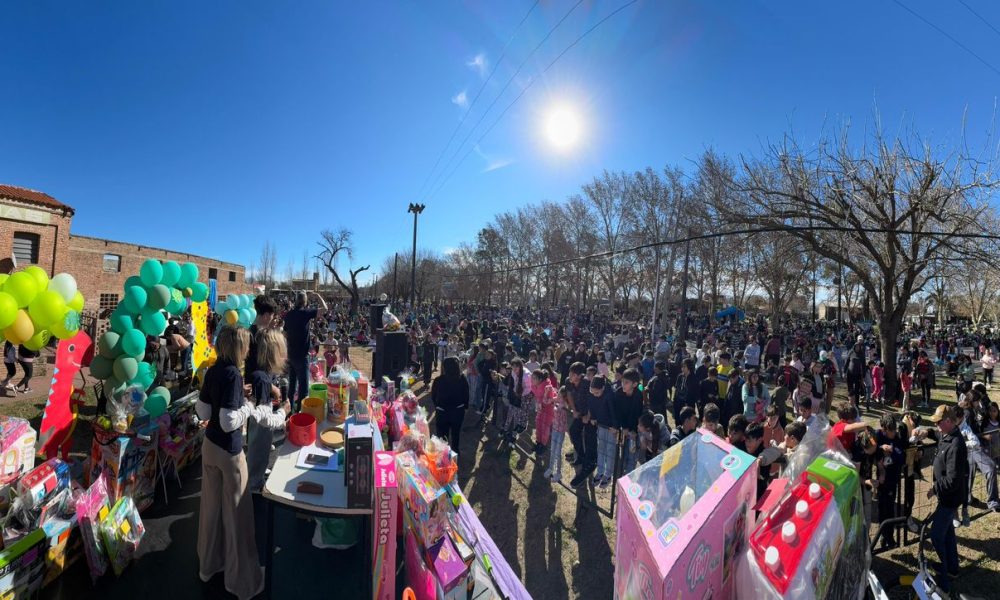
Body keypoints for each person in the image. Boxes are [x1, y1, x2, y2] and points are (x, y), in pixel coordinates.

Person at [195, 327, 263, 600]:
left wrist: (232, 398)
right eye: (245, 345)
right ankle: (242, 582)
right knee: (237, 517)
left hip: (209, 448)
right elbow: (227, 421)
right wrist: (247, 406)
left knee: (210, 510)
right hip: (229, 453)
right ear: (238, 347)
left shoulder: (213, 370)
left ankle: (208, 566)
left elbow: (203, 410)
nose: (247, 350)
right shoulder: (234, 374)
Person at [926, 405, 968, 590]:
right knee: (948, 532)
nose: (936, 426)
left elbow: (952, 479)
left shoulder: (956, 445)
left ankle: (944, 575)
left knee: (936, 535)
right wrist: (926, 432)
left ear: (949, 421)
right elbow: (938, 436)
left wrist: (935, 488)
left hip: (949, 499)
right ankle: (952, 568)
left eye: (938, 423)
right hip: (947, 497)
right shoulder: (947, 435)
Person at [247, 329, 292, 491]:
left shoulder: (262, 375)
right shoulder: (262, 378)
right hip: (260, 430)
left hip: (259, 428)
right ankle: (255, 486)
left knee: (261, 452)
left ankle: (257, 477)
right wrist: (283, 412)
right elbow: (265, 421)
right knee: (258, 452)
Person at [283, 291, 327, 408]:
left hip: (291, 355)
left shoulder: (288, 315)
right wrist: (318, 296)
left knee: (292, 387)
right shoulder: (306, 313)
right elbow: (325, 309)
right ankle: (299, 412)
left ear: (295, 301)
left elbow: (285, 333)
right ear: (305, 302)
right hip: (302, 356)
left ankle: (288, 411)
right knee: (303, 389)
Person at [875, 414, 905, 547]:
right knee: (882, 508)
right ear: (884, 429)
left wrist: (892, 451)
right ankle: (882, 535)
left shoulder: (898, 438)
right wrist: (881, 447)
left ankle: (890, 536)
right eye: (890, 431)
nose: (893, 433)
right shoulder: (878, 436)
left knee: (890, 508)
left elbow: (901, 456)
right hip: (882, 481)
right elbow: (871, 448)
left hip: (893, 479)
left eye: (894, 430)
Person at [431, 356, 470, 453]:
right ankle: (455, 452)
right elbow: (466, 394)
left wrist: (437, 406)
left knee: (442, 436)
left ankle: (443, 455)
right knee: (456, 433)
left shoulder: (438, 380)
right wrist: (465, 406)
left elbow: (433, 396)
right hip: (458, 411)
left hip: (442, 412)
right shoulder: (462, 379)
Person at [613, 368, 644, 474]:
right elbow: (617, 412)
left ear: (634, 384)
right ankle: (621, 476)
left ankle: (629, 476)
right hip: (622, 429)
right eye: (622, 381)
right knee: (622, 455)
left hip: (634, 430)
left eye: (626, 382)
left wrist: (633, 431)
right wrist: (624, 427)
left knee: (632, 455)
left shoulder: (638, 395)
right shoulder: (618, 393)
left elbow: (636, 414)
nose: (623, 384)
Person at [588, 375, 617, 489]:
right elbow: (592, 405)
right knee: (600, 448)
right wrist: (593, 417)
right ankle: (600, 472)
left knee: (610, 450)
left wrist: (615, 426)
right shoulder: (592, 394)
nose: (595, 394)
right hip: (600, 425)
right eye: (593, 392)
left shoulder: (610, 395)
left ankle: (608, 475)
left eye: (597, 392)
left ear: (603, 388)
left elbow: (614, 411)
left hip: (610, 427)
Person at [245, 295, 277, 378]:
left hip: (254, 379)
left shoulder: (249, 332)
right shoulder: (260, 336)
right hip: (261, 381)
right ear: (266, 315)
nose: (273, 318)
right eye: (272, 315)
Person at [545, 387, 571, 483]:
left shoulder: (564, 406)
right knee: (552, 449)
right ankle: (550, 468)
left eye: (561, 396)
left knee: (557, 452)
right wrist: (546, 393)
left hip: (560, 432)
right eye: (559, 394)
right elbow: (546, 401)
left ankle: (558, 472)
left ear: (565, 397)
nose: (559, 397)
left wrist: (555, 405)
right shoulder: (557, 399)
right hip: (555, 429)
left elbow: (559, 412)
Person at [531, 368, 557, 455]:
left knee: (545, 428)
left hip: (548, 411)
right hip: (540, 409)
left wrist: (541, 403)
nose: (532, 380)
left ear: (540, 379)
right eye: (532, 377)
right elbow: (537, 395)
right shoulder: (536, 385)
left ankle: (543, 445)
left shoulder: (547, 387)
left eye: (534, 378)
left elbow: (550, 400)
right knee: (538, 425)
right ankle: (538, 442)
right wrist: (539, 403)